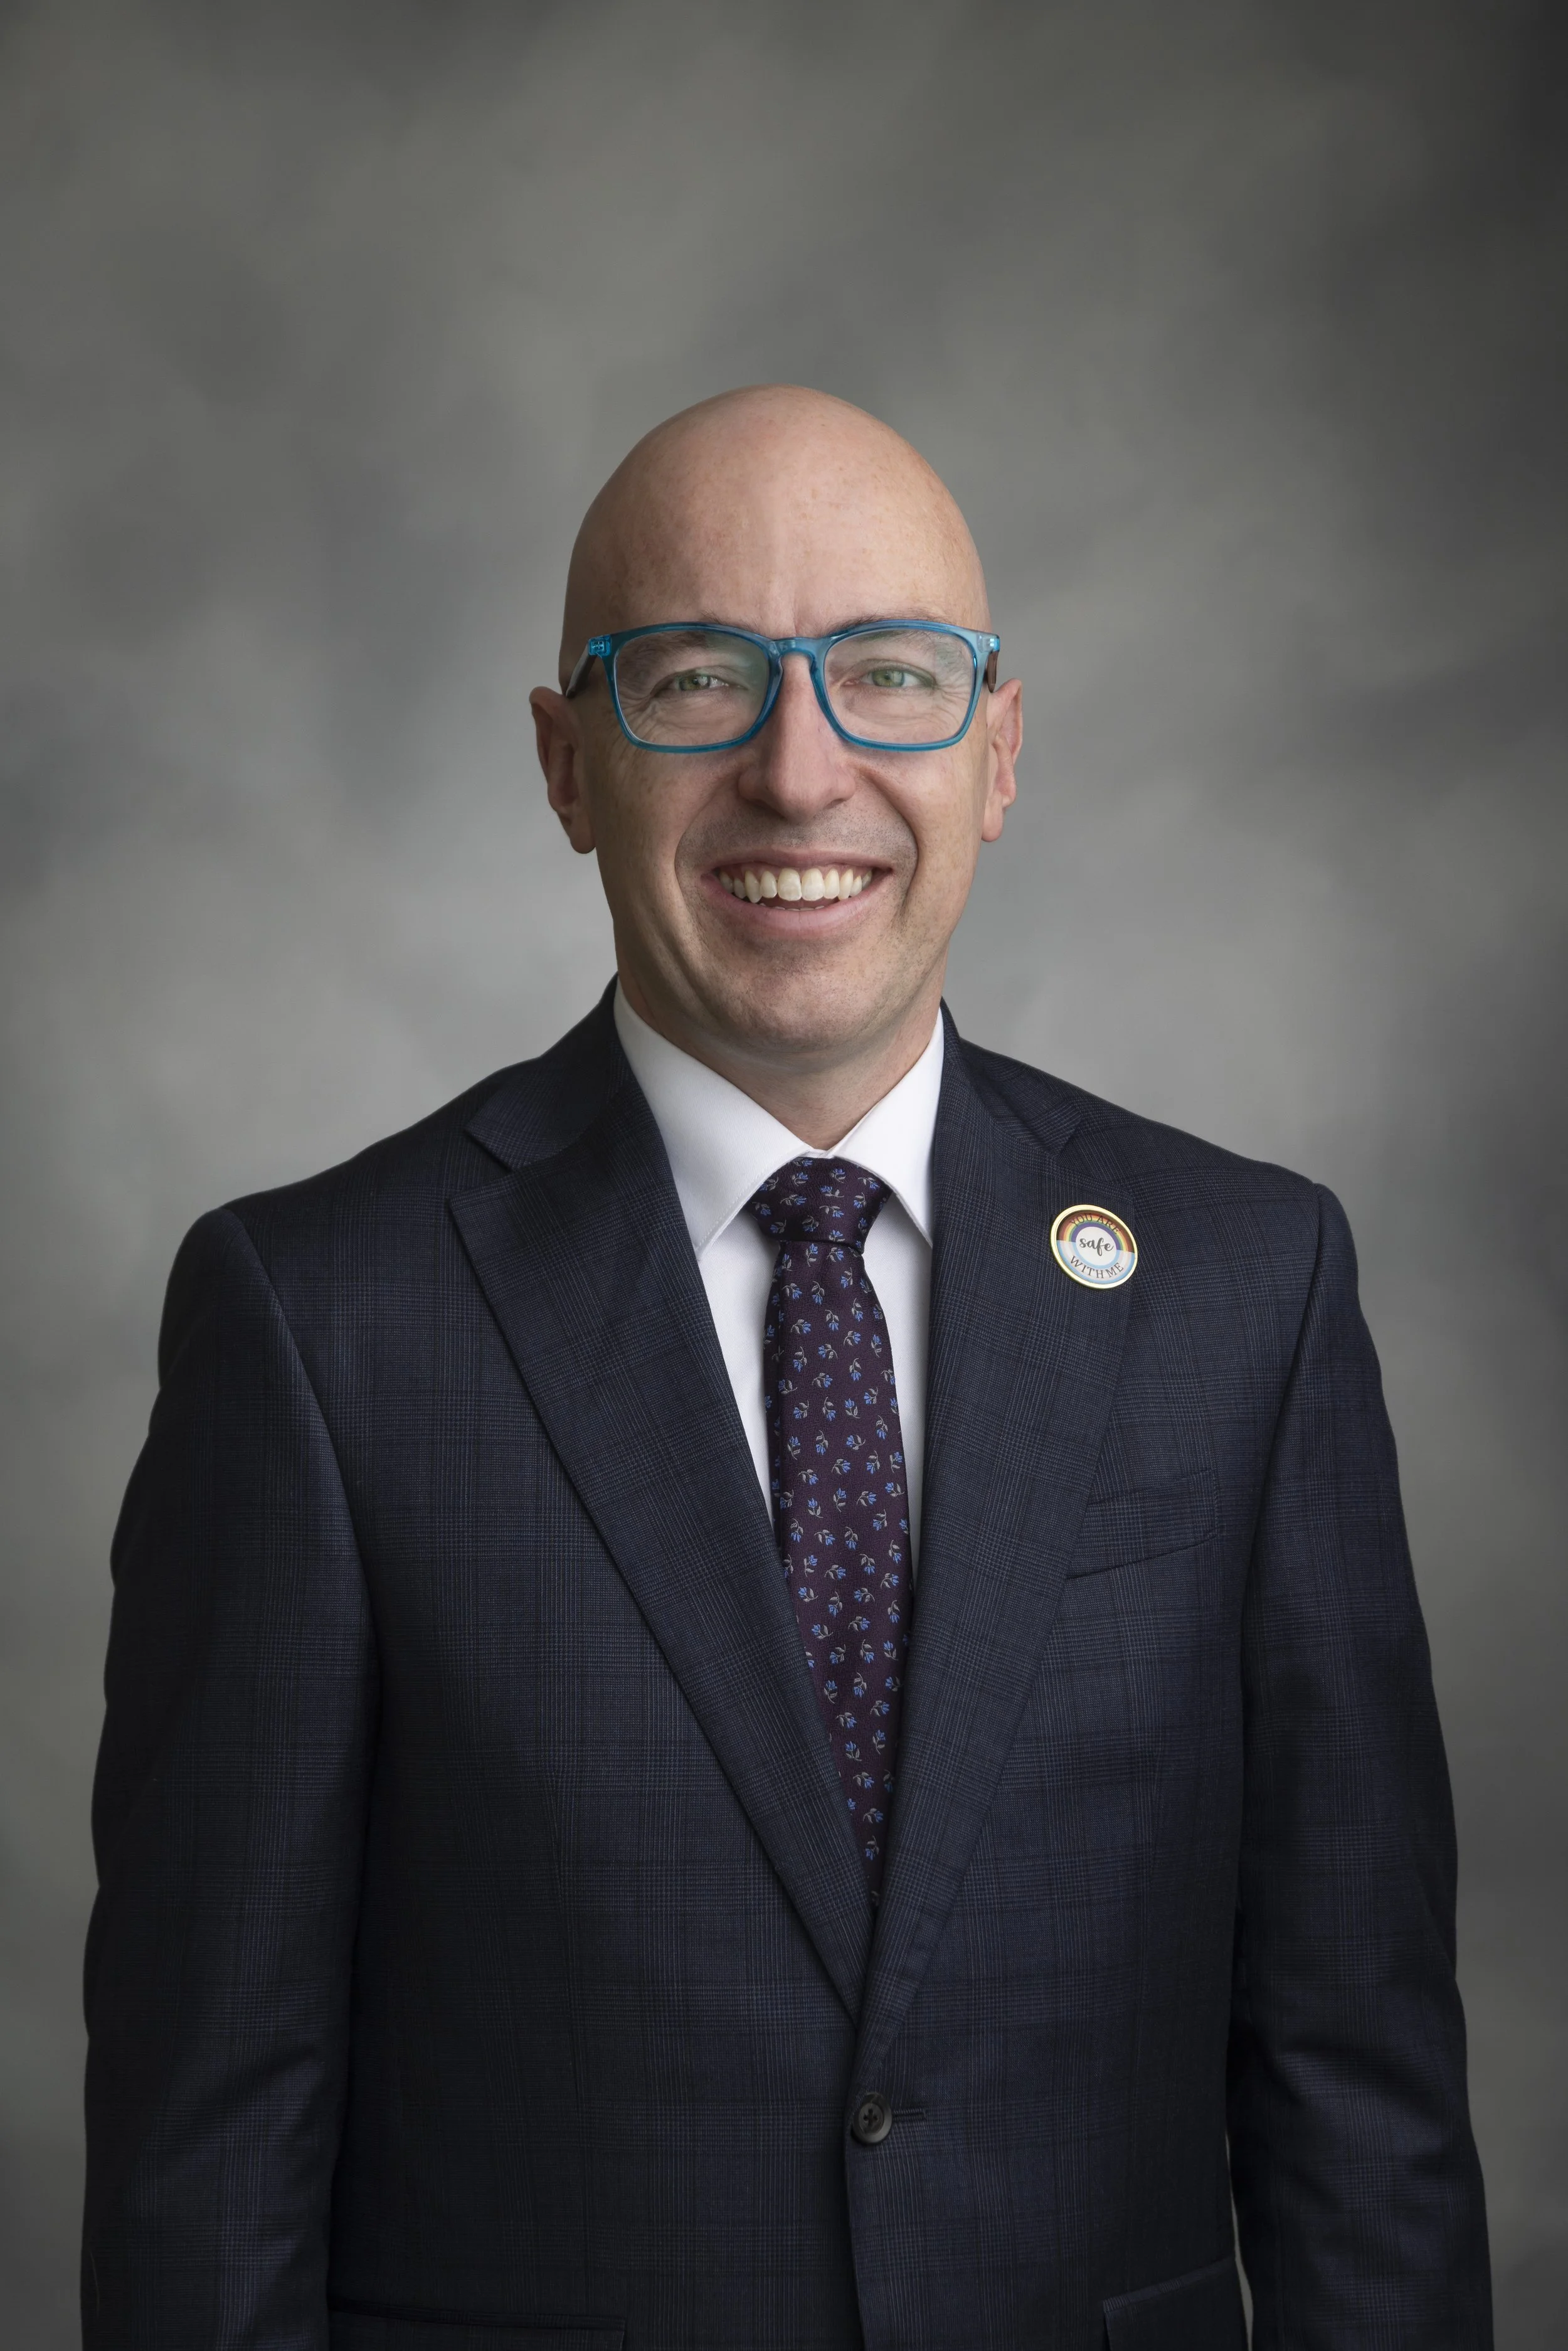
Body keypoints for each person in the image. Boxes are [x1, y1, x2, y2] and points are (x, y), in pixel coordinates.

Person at [83, 385, 1492, 2350]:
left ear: (997, 753)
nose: (801, 770)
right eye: (694, 679)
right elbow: (206, 2162)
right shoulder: (314, 1322)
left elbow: (1365, 2111)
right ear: (568, 765)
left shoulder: (1243, 1292)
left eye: (892, 676)